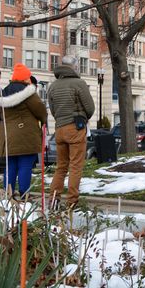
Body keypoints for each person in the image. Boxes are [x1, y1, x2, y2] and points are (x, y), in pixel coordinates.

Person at [47, 55, 95, 209]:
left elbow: (53, 110)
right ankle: (72, 202)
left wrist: (61, 119)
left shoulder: (53, 86)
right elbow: (90, 107)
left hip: (59, 129)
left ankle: (54, 200)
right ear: (74, 67)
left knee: (61, 167)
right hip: (75, 127)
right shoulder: (79, 83)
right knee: (75, 166)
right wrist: (83, 117)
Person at [0, 64, 47, 199]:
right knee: (25, 164)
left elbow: (1, 113)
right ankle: (24, 193)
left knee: (10, 165)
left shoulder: (3, 92)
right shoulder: (28, 92)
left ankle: (8, 194)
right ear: (25, 78)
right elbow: (40, 110)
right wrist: (44, 120)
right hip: (25, 135)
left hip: (8, 135)